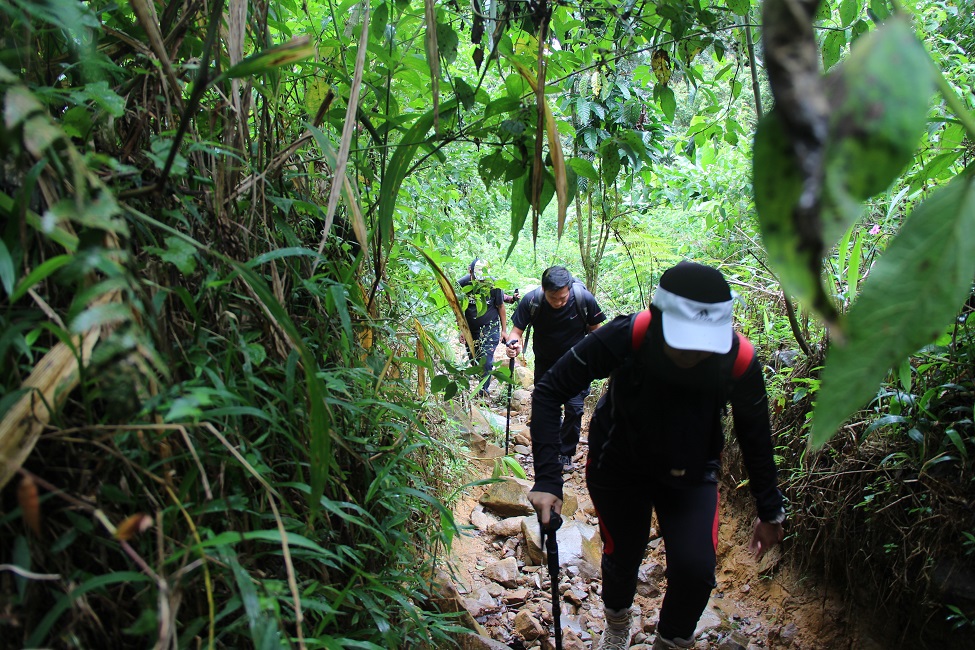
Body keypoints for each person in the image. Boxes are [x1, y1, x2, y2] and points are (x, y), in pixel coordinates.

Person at [526, 261, 786, 650]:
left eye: (703, 342)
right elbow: (550, 391)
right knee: (623, 553)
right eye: (684, 339)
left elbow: (756, 435)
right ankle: (616, 624)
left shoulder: (737, 357)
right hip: (619, 464)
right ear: (659, 316)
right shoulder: (630, 334)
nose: (693, 352)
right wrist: (548, 479)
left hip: (692, 469)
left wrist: (769, 510)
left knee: (697, 570)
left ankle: (669, 642)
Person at [505, 266, 605, 469]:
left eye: (563, 297)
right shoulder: (532, 301)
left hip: (577, 365)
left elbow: (597, 332)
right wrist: (512, 344)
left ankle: (566, 452)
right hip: (545, 363)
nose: (559, 302)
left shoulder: (583, 299)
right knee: (547, 408)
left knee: (574, 409)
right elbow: (516, 331)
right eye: (554, 298)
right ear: (544, 289)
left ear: (569, 289)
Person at [458, 259, 510, 398]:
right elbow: (458, 309)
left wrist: (504, 330)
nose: (480, 284)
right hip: (470, 329)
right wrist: (461, 329)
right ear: (470, 272)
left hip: (490, 327)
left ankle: (483, 393)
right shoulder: (462, 284)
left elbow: (500, 306)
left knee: (486, 360)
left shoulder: (493, 284)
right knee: (474, 359)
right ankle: (481, 382)